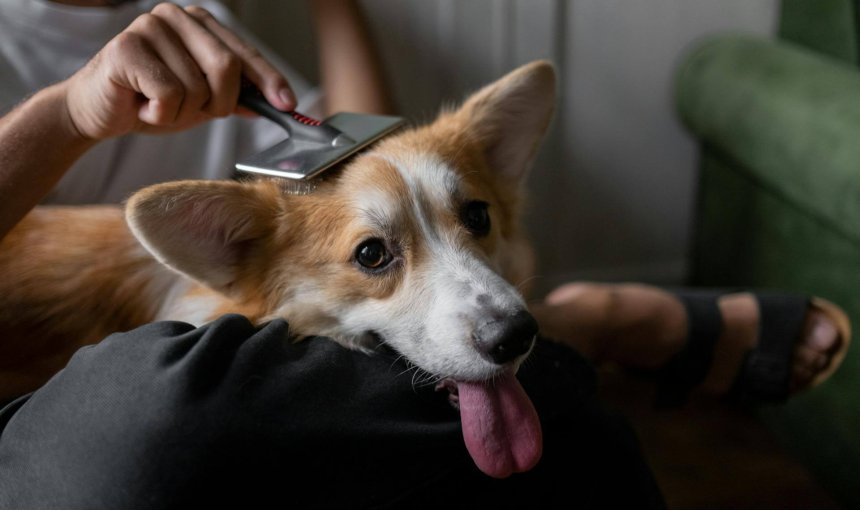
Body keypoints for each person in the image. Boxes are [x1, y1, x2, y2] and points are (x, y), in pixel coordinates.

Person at [0, 1, 850, 508]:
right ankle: (584, 328)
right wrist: (69, 115)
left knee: (553, 425)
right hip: (115, 384)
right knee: (165, 417)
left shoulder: (199, 18)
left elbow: (363, 157)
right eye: (377, 255)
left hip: (276, 299)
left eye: (478, 217)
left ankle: (572, 332)